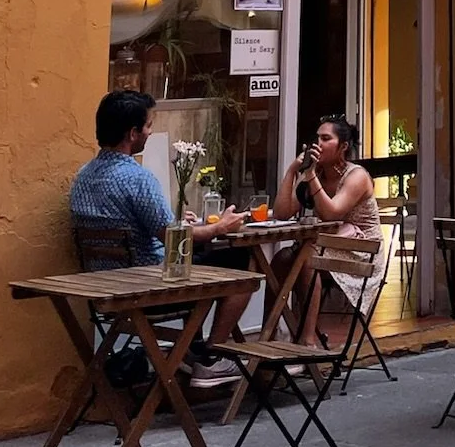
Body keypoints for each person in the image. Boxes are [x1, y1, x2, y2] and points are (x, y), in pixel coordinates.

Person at [70, 88, 250, 381]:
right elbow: (172, 239)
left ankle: (189, 349)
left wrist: (178, 222)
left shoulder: (83, 176)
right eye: (149, 125)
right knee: (241, 266)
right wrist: (220, 227)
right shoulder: (138, 178)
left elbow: (148, 225)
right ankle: (210, 357)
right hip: (150, 287)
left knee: (209, 260)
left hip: (102, 286)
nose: (151, 132)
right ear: (132, 133)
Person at [269, 113, 387, 348]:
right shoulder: (317, 173)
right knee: (282, 259)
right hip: (326, 244)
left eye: (325, 139)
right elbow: (282, 212)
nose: (318, 144)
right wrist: (293, 171)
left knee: (306, 257)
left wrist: (310, 176)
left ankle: (308, 340)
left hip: (361, 250)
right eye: (317, 139)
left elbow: (332, 213)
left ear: (342, 147)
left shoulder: (357, 176)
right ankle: (270, 333)